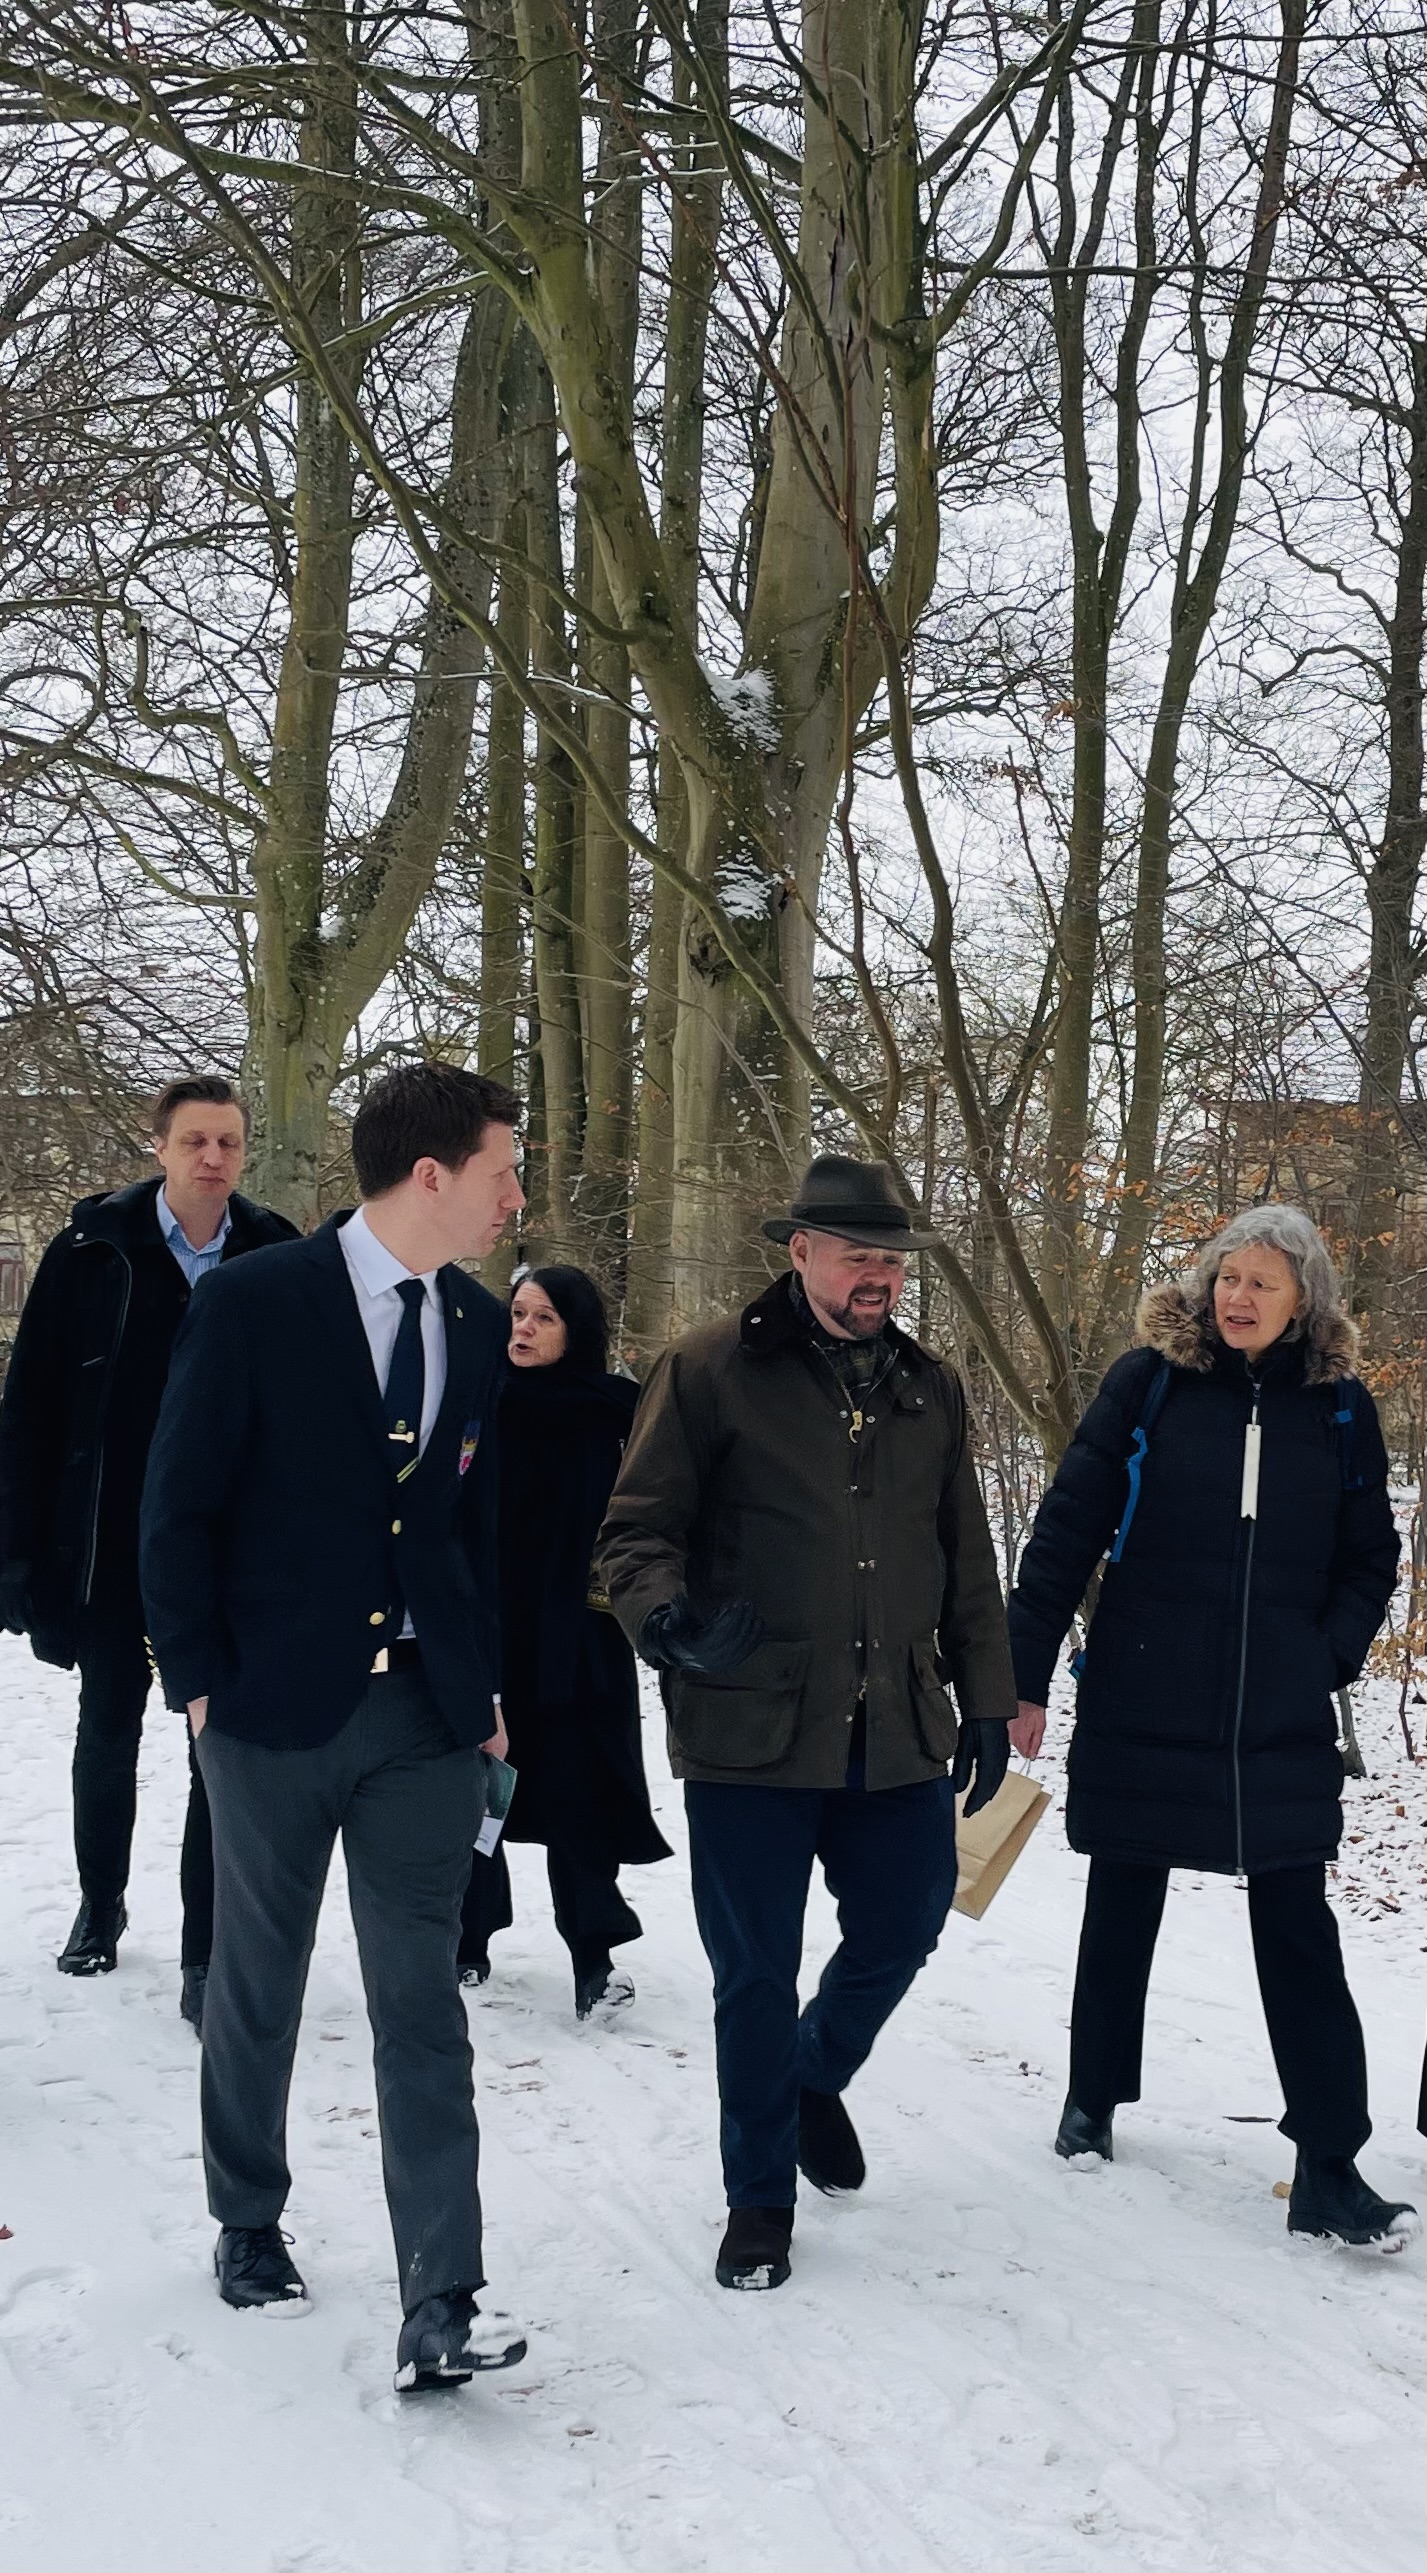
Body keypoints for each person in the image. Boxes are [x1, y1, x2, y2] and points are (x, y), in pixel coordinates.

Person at [140, 1062, 531, 2392]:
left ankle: (442, 2292)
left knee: (419, 1998)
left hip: (422, 1719)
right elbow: (176, 1503)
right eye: (501, 1172)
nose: (513, 1198)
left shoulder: (476, 1327)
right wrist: (194, 1676)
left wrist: (479, 1697)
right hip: (269, 1711)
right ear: (431, 1174)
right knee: (258, 1978)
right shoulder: (256, 1301)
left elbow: (469, 1530)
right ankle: (247, 2218)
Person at [596, 1155, 1017, 2292]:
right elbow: (631, 1532)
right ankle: (758, 2197)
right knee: (752, 1973)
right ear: (799, 1252)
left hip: (894, 1722)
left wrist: (986, 1693)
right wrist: (665, 1621)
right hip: (748, 1728)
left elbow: (964, 1555)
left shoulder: (928, 1386)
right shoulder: (708, 1368)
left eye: (890, 1257)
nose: (877, 1274)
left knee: (908, 1914)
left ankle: (810, 2072)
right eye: (855, 1253)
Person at [1007, 1205, 1417, 2249]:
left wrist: (1317, 1654)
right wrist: (1018, 1672)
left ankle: (1326, 2159)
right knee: (1122, 1890)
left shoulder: (1337, 1410)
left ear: (1303, 1303)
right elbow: (1066, 1526)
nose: (1234, 1296)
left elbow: (1371, 1553)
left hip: (1271, 1710)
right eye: (1225, 1274)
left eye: (1260, 1283)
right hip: (1145, 1685)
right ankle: (1091, 2095)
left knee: (1296, 1924)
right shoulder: (1145, 1383)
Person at [0, 1077, 296, 2016]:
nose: (214, 1158)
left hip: (229, 1553)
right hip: (112, 1541)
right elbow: (30, 1408)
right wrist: (16, 1555)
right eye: (196, 1141)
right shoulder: (93, 1251)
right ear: (160, 1147)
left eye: (230, 1143)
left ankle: (207, 1947)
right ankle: (99, 1903)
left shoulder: (277, 1253)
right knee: (109, 1726)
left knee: (222, 1745)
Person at [458, 1266, 672, 2015]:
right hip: (490, 1624)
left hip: (581, 1631)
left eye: (543, 1317)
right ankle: (465, 1939)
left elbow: (657, 1513)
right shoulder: (477, 1399)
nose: (522, 1328)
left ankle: (593, 1955)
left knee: (581, 1791)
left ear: (576, 1329)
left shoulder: (618, 1410)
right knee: (476, 1784)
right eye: (517, 1313)